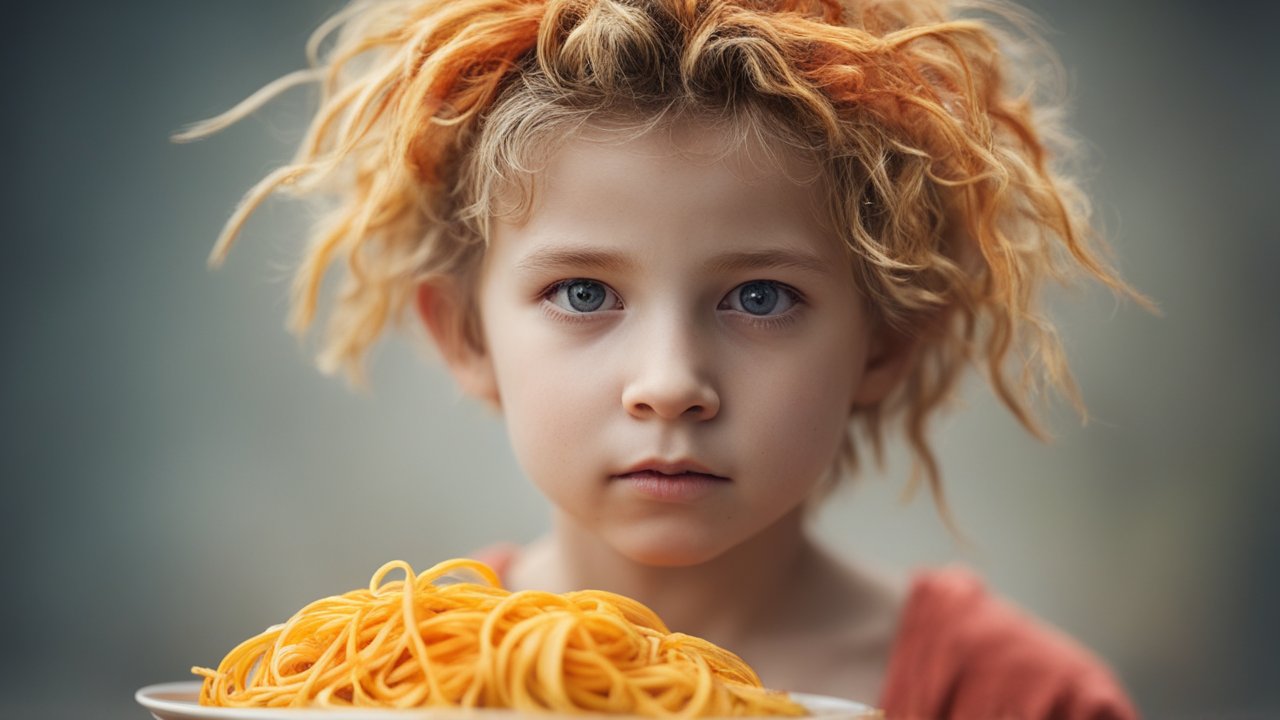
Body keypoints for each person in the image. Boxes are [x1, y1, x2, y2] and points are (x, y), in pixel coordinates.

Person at [181, 0, 1149, 717]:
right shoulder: (375, 684)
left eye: (759, 298)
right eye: (583, 295)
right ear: (464, 335)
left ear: (886, 340)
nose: (670, 384)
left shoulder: (1020, 700)